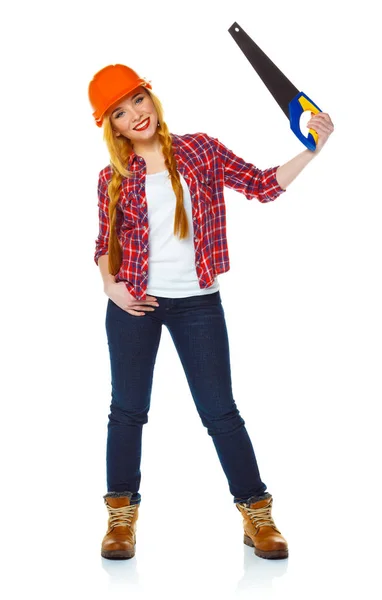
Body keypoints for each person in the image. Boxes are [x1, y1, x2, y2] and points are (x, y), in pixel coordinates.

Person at [88, 63, 334, 561]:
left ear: (151, 100)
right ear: (111, 126)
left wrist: (313, 149)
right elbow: (104, 244)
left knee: (220, 411)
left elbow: (262, 185)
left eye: (137, 101)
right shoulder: (111, 177)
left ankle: (256, 514)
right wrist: (112, 289)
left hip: (198, 304)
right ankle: (120, 517)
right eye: (120, 112)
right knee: (128, 411)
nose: (134, 115)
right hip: (135, 305)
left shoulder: (198, 150)